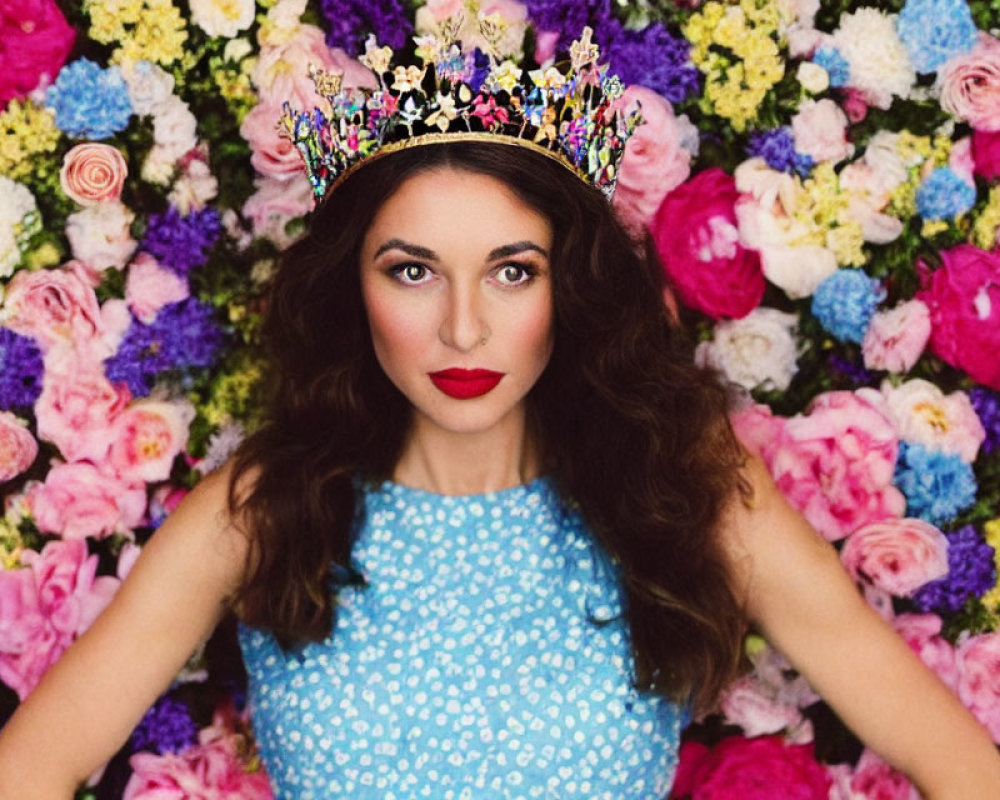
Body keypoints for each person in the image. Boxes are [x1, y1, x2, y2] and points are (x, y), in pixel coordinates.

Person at [2, 26, 1000, 800]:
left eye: (511, 271)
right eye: (412, 271)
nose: (464, 327)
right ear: (351, 287)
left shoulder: (683, 487)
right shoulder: (264, 503)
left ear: (570, 286)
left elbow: (967, 767)